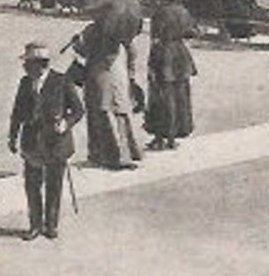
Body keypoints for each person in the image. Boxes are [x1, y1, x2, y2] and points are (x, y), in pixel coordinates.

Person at [7, 41, 84, 240]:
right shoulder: (25, 83)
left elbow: (78, 109)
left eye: (29, 63)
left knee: (54, 185)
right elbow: (17, 113)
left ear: (42, 64)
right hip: (32, 143)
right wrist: (12, 137)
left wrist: (66, 123)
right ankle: (34, 225)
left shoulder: (61, 81)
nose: (25, 67)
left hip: (56, 143)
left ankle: (51, 225)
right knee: (32, 186)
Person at [74, 21, 142, 170]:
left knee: (99, 111)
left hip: (98, 72)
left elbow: (82, 51)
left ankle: (100, 154)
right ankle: (126, 153)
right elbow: (133, 52)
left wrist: (76, 44)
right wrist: (131, 73)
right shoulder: (121, 29)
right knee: (119, 111)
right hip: (117, 71)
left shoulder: (91, 29)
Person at [145, 16, 198, 151]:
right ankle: (171, 138)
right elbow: (192, 33)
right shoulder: (181, 13)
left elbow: (154, 37)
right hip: (178, 63)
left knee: (160, 101)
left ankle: (159, 138)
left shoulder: (160, 14)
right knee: (178, 101)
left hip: (163, 63)